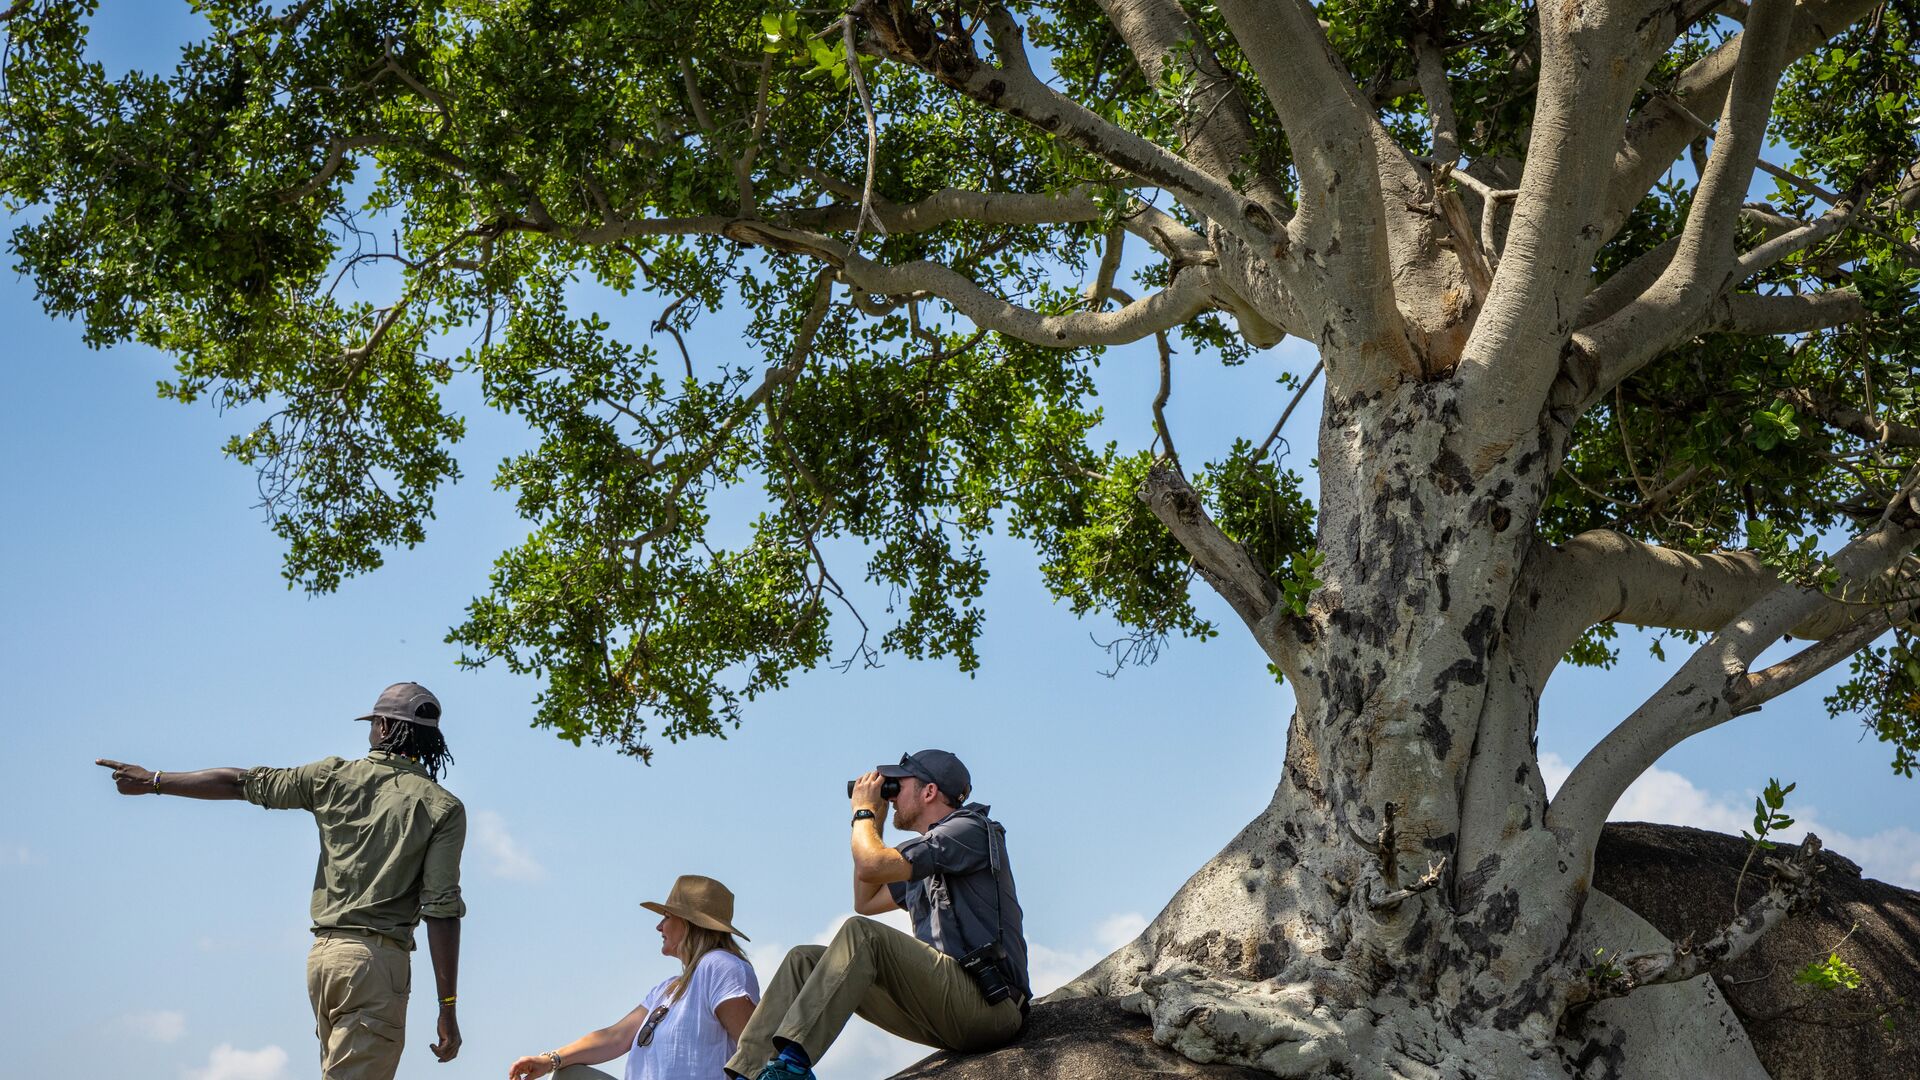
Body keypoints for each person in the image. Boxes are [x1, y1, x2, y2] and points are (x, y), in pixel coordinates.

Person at [96, 681, 467, 1079]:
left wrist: (155, 780)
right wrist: (447, 1005)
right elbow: (441, 909)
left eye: (374, 722)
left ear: (386, 728)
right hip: (377, 964)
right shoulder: (442, 807)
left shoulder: (331, 777)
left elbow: (240, 783)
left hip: (324, 961)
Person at [727, 749, 1030, 1080]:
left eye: (897, 785)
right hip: (943, 1006)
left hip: (988, 1005)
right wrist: (877, 820)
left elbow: (871, 868)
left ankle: (792, 1069)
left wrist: (863, 813)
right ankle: (747, 1072)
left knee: (863, 935)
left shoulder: (968, 829)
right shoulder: (922, 856)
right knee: (804, 960)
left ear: (929, 791)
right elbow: (866, 897)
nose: (892, 794)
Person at [508, 875, 760, 1080]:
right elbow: (615, 1038)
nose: (659, 926)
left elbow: (753, 1048)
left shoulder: (719, 965)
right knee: (569, 1076)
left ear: (690, 923)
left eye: (667, 916)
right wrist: (550, 1060)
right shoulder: (667, 990)